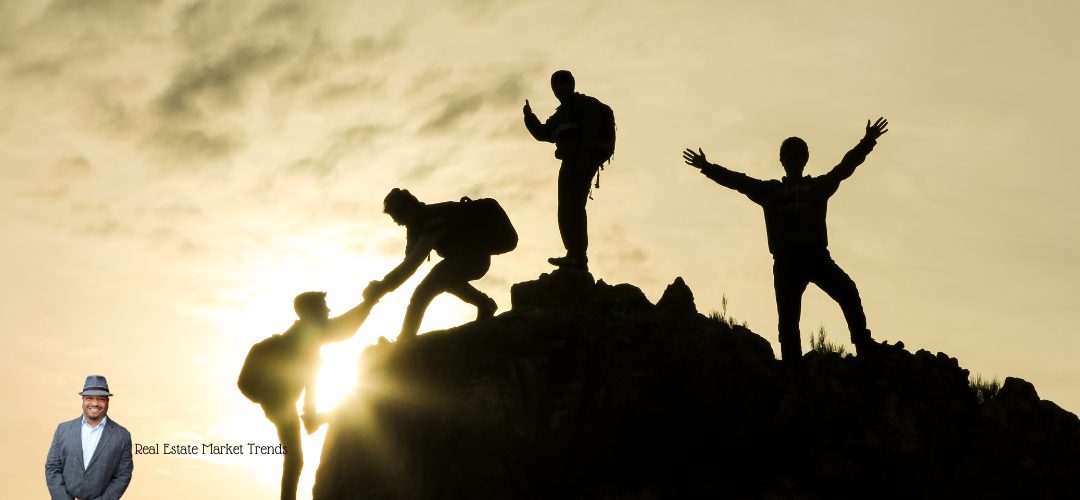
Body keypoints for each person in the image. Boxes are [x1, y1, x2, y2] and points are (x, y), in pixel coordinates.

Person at [682, 118, 890, 363]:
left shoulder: (817, 188)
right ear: (782, 162)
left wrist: (868, 141)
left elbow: (845, 167)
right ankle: (793, 365)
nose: (792, 162)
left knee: (847, 291)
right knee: (789, 319)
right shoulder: (771, 192)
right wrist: (707, 167)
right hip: (786, 263)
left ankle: (864, 346)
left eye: (797, 158)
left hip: (816, 258)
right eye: (788, 158)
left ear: (804, 161)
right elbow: (738, 181)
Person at [242, 291, 375, 500]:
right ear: (310, 312)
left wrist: (370, 302)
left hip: (285, 402)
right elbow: (343, 329)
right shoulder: (303, 334)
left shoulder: (307, 335)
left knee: (295, 457)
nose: (328, 310)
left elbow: (341, 330)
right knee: (295, 458)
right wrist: (370, 301)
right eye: (323, 307)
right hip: (280, 402)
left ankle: (312, 418)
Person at [364, 188, 502, 340]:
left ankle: (406, 338)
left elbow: (411, 265)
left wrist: (382, 287)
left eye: (397, 216)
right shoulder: (415, 226)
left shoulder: (433, 221)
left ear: (408, 209)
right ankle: (485, 304)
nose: (397, 223)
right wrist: (383, 286)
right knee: (439, 282)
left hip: (475, 259)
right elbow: (409, 261)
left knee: (424, 291)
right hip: (460, 261)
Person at [523, 70, 615, 272]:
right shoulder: (561, 113)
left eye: (562, 84)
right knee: (565, 208)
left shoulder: (584, 104)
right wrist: (529, 118)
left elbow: (591, 130)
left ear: (571, 84)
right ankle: (572, 254)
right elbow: (545, 134)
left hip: (582, 160)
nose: (558, 89)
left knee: (574, 207)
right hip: (568, 161)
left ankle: (578, 256)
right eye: (555, 85)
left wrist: (585, 156)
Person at [46, 375, 134, 500]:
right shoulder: (63, 430)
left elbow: (123, 475)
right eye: (89, 398)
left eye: (101, 399)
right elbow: (52, 467)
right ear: (83, 400)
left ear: (108, 401)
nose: (95, 403)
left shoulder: (122, 435)